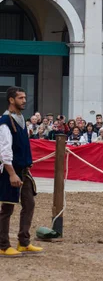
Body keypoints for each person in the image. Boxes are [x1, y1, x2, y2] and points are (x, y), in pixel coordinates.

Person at [0, 87, 43, 256]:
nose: (24, 100)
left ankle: (23, 242)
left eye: (25, 97)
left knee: (29, 203)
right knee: (7, 208)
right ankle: (3, 245)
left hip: (23, 170)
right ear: (11, 100)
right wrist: (11, 173)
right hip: (11, 171)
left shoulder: (21, 119)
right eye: (20, 98)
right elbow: (4, 151)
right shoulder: (5, 122)